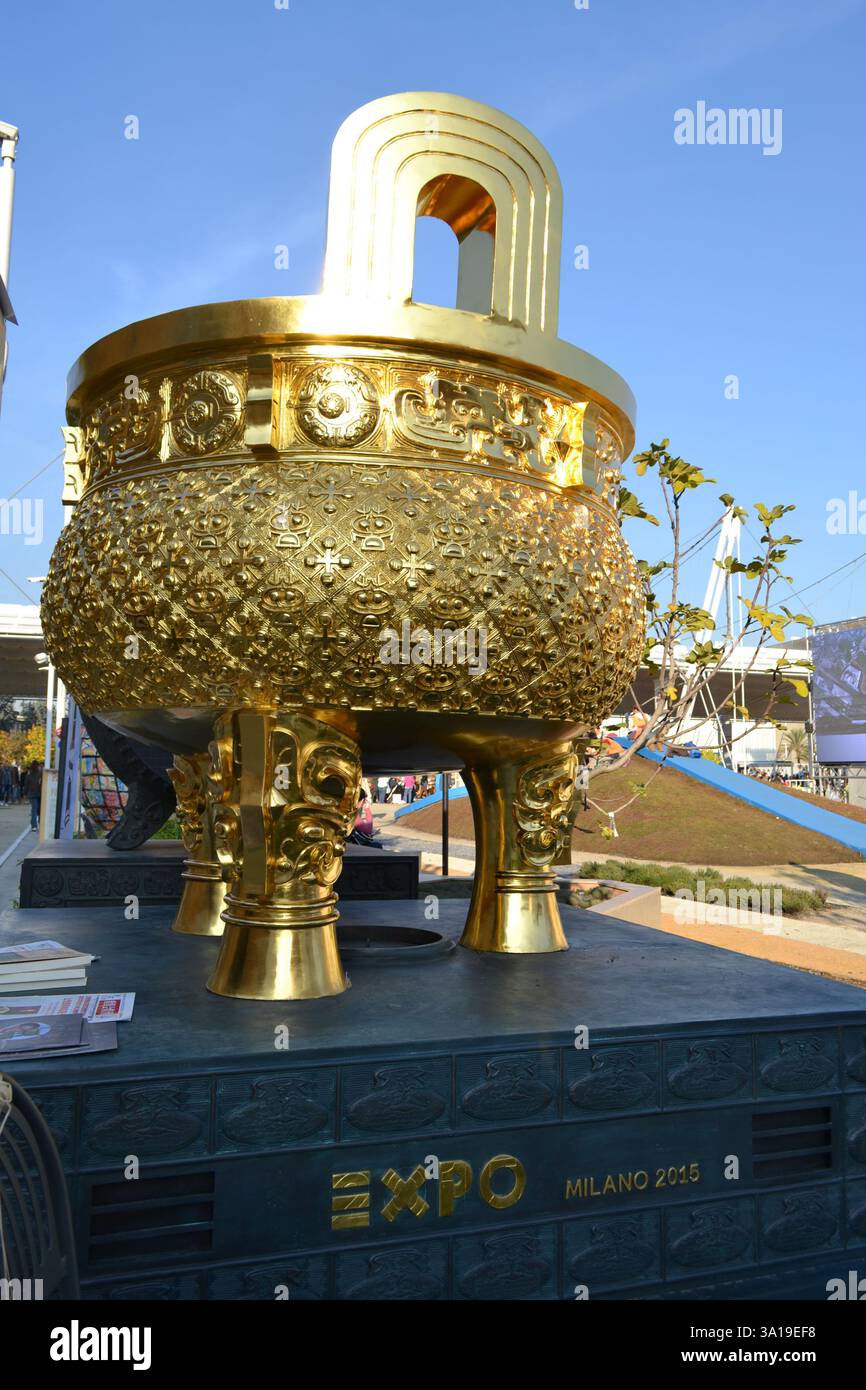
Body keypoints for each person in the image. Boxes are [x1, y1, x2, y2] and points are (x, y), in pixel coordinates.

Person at [22, 760, 42, 831]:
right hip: (40, 794)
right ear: (38, 766)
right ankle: (40, 824)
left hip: (32, 794)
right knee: (39, 810)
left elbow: (26, 786)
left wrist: (24, 794)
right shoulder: (41, 774)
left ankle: (34, 825)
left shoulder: (29, 776)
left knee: (34, 810)